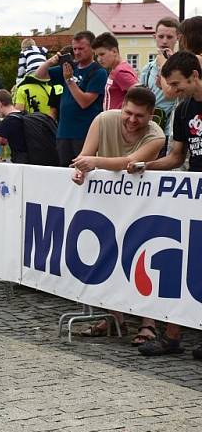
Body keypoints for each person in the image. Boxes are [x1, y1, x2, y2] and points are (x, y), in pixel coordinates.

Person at [69, 86, 165, 342]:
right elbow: (85, 156)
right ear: (122, 108)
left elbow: (131, 161)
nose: (133, 120)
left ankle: (149, 321)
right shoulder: (103, 120)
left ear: (151, 115)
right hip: (109, 202)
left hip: (144, 206)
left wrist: (95, 163)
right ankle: (114, 316)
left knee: (143, 260)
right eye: (129, 113)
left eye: (140, 117)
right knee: (109, 255)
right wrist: (80, 170)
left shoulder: (156, 136)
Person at [127, 51, 202, 359]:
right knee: (182, 262)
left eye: (176, 84)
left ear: (194, 76)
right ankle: (172, 335)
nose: (172, 91)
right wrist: (145, 165)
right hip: (193, 195)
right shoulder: (184, 109)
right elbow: (176, 157)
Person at [35, 31, 108, 167]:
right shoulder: (70, 67)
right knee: (64, 170)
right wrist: (51, 61)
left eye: (81, 48)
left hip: (84, 132)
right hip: (64, 131)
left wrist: (69, 80)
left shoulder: (98, 71)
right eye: (75, 49)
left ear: (92, 48)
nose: (77, 52)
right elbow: (39, 75)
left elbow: (84, 102)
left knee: (82, 170)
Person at [138, 17, 181, 144]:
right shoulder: (149, 68)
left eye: (169, 37)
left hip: (173, 129)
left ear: (178, 38)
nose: (164, 41)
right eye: (161, 36)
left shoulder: (182, 65)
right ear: (154, 36)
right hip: (150, 128)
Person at [91, 32, 138, 111]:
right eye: (97, 56)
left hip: (118, 120)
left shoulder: (120, 71)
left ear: (114, 51)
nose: (99, 59)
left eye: (102, 54)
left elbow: (141, 94)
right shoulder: (117, 68)